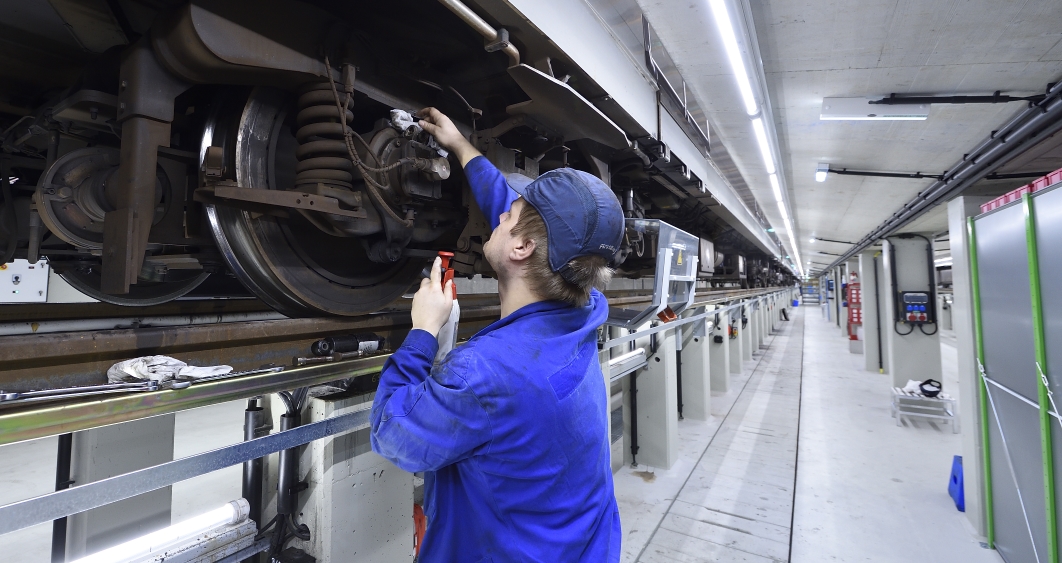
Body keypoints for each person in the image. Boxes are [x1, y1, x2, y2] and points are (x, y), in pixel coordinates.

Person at [369, 107, 625, 562]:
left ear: (522, 247)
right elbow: (520, 220)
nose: (500, 213)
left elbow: (392, 432)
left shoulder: (484, 372)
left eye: (509, 216)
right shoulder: (585, 311)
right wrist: (462, 147)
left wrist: (423, 332)